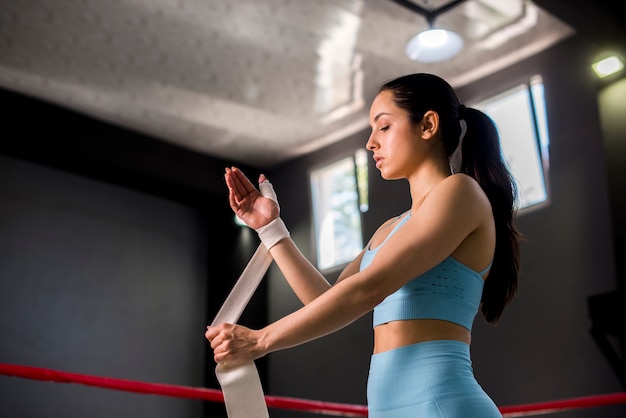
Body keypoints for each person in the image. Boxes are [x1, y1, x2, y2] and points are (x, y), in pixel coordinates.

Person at [206, 73, 521, 417]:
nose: (371, 142)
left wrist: (260, 340)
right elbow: (326, 302)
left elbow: (370, 288)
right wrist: (271, 229)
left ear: (428, 125)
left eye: (383, 127)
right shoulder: (390, 229)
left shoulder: (460, 192)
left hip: (443, 407)